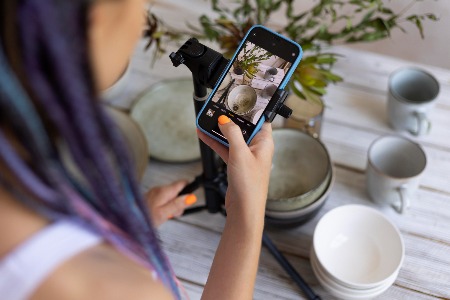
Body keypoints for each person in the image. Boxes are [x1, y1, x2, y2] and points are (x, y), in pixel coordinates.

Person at [0, 0, 274, 299]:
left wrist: (121, 231)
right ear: (96, 19)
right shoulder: (112, 290)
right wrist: (247, 215)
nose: (143, 23)